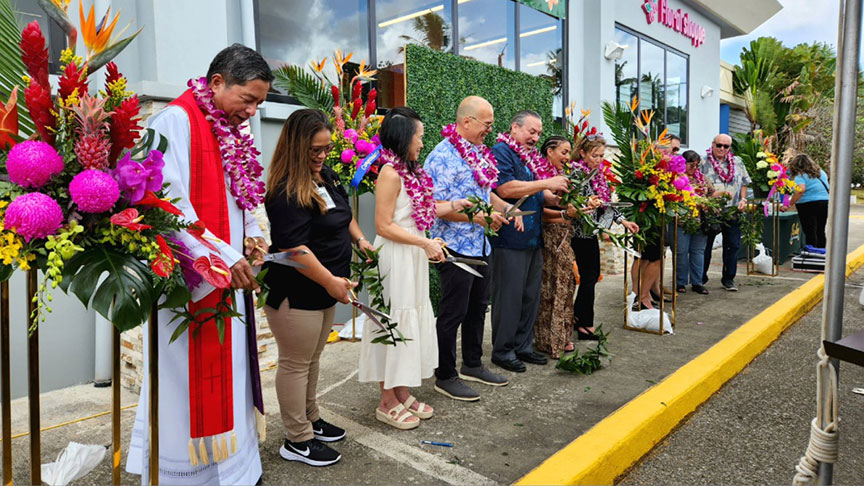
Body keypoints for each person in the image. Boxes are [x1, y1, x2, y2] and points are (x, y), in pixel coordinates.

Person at [126, 44, 272, 485]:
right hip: (190, 282)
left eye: (260, 104)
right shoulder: (174, 121)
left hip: (229, 275)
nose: (251, 111)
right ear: (216, 83)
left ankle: (234, 466)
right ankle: (188, 474)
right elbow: (166, 207)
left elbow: (244, 196)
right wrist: (224, 258)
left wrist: (253, 236)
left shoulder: (234, 130)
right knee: (185, 381)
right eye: (248, 99)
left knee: (232, 376)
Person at [263, 109, 375, 466]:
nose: (323, 156)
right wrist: (330, 281)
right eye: (315, 149)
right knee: (295, 364)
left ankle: (310, 417)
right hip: (295, 291)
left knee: (312, 358)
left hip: (327, 286)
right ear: (296, 147)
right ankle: (296, 439)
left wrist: (361, 241)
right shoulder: (283, 191)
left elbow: (344, 215)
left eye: (326, 149)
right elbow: (293, 249)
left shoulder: (323, 176)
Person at [358, 107, 471, 429]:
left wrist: (453, 206)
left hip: (412, 254)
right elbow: (382, 225)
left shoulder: (411, 172)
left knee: (409, 325)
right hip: (395, 257)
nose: (422, 142)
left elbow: (418, 210)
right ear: (404, 137)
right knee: (393, 325)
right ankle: (386, 401)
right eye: (419, 136)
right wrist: (424, 244)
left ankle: (402, 391)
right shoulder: (389, 173)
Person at [426, 96, 513, 401]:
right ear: (466, 122)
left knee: (478, 308)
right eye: (486, 124)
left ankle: (473, 364)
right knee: (453, 312)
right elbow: (433, 206)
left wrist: (505, 210)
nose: (490, 129)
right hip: (453, 247)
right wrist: (473, 216)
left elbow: (487, 193)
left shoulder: (479, 153)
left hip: (481, 244)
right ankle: (445, 374)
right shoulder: (440, 157)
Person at [490, 110, 570, 373]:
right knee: (509, 298)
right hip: (510, 238)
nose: (535, 138)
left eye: (538, 133)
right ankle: (503, 350)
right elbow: (505, 189)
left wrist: (557, 199)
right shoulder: (502, 151)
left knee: (529, 297)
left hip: (533, 238)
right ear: (514, 127)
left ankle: (524, 346)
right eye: (530, 131)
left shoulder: (528, 157)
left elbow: (536, 193)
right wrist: (545, 182)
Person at [570, 135, 638, 337]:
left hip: (590, 231)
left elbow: (606, 202)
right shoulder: (576, 172)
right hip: (577, 231)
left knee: (591, 275)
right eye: (595, 155)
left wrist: (622, 221)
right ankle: (584, 323)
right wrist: (589, 203)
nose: (598, 160)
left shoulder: (598, 174)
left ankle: (579, 317)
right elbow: (576, 200)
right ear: (582, 153)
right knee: (589, 276)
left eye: (601, 155)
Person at [535, 135, 577, 357]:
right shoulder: (540, 176)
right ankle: (549, 341)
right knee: (551, 289)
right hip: (549, 239)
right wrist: (563, 214)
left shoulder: (562, 176)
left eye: (569, 152)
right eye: (564, 152)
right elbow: (539, 210)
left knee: (566, 287)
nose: (567, 157)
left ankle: (562, 336)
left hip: (564, 237)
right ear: (549, 152)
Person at [701, 133, 750, 291]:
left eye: (725, 146)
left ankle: (729, 279)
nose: (722, 148)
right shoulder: (702, 161)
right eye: (719, 145)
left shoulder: (737, 162)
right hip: (711, 211)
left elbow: (744, 183)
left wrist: (743, 200)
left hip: (732, 210)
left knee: (733, 245)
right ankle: (700, 278)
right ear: (713, 144)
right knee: (705, 246)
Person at [675, 150, 714, 295]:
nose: (694, 168)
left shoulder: (702, 178)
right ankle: (680, 282)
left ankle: (697, 282)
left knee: (698, 252)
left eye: (697, 165)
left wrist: (709, 202)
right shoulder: (677, 178)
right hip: (682, 221)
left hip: (699, 221)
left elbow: (711, 193)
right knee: (681, 252)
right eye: (691, 165)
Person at [783, 154, 829, 249]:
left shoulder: (800, 175)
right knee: (820, 230)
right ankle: (822, 254)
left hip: (808, 205)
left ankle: (812, 255)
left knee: (810, 231)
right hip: (824, 202)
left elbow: (801, 190)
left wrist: (789, 204)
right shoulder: (821, 173)